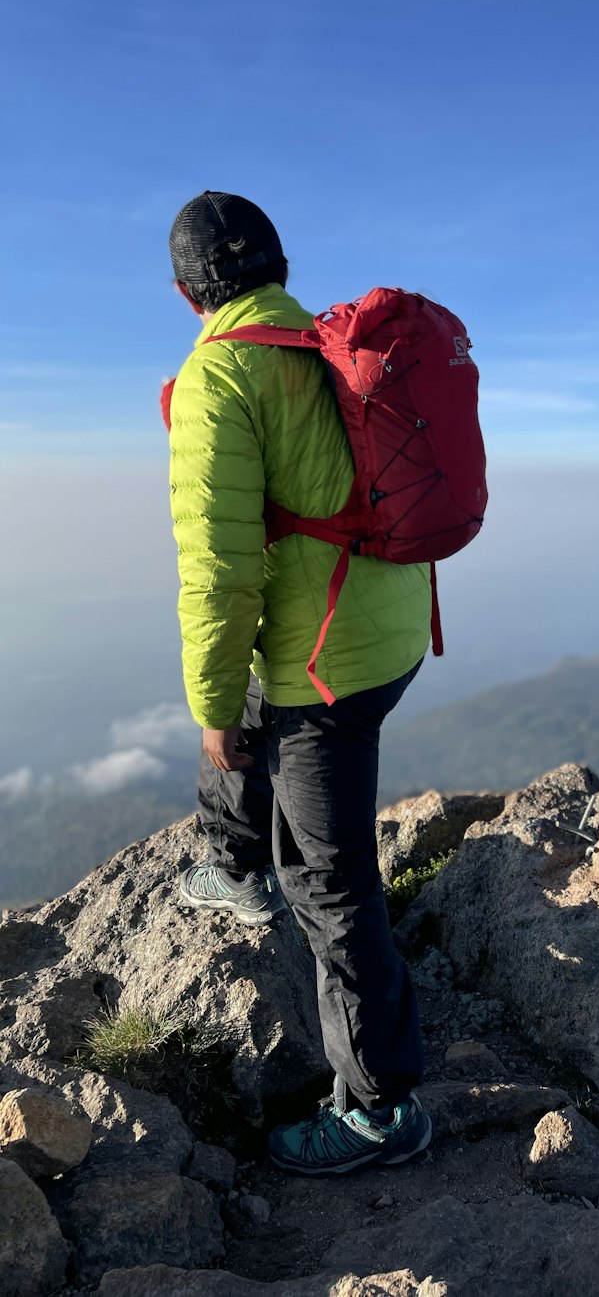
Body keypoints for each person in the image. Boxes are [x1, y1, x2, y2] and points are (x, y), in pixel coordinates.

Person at [166, 190, 432, 1175]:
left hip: (328, 662)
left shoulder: (218, 376)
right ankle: (235, 868)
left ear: (187, 292)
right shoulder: (326, 350)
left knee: (328, 881)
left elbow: (220, 572)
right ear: (276, 268)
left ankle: (380, 1106)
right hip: (391, 624)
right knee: (249, 697)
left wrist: (203, 711)